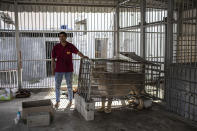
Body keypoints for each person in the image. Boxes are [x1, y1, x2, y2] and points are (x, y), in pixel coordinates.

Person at [51, 31, 88, 108]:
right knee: (57, 86)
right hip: (58, 70)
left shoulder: (70, 46)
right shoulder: (56, 47)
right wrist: (53, 69)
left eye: (63, 36)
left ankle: (70, 101)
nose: (61, 38)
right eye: (60, 36)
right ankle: (57, 101)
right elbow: (53, 59)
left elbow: (77, 52)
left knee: (69, 86)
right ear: (59, 38)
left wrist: (83, 56)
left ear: (66, 37)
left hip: (68, 70)